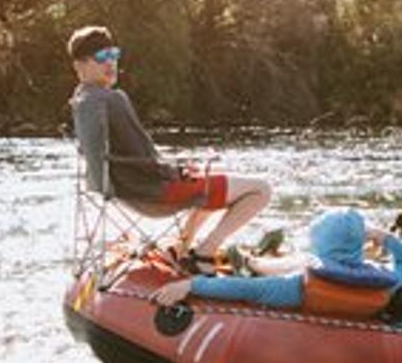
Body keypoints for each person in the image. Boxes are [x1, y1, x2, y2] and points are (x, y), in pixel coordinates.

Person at [67, 25, 271, 266]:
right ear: (79, 65)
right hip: (153, 193)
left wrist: (178, 170)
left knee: (204, 178)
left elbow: (108, 156)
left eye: (114, 55)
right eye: (101, 57)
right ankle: (204, 252)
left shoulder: (81, 99)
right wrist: (176, 171)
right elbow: (145, 159)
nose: (110, 63)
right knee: (260, 190)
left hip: (129, 190)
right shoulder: (112, 99)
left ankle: (182, 247)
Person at [151, 208, 402, 313]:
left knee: (274, 268)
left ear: (319, 240)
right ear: (359, 242)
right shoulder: (382, 280)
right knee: (299, 261)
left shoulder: (297, 285)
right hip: (349, 293)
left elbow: (241, 288)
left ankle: (253, 262)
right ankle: (257, 261)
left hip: (290, 279)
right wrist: (384, 237)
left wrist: (190, 285)